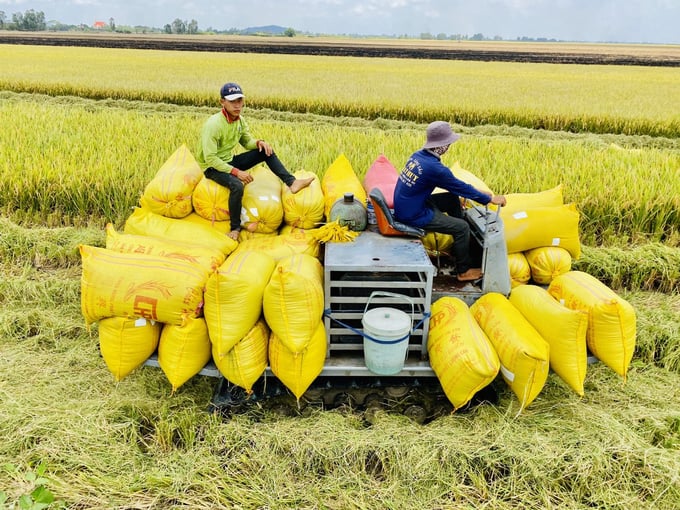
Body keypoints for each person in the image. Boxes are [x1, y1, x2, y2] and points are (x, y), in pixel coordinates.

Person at [196, 82, 314, 241]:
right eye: (232, 101)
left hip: (228, 161)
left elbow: (246, 141)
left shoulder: (240, 120)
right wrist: (237, 173)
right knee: (237, 185)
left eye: (239, 101)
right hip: (212, 167)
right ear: (222, 102)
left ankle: (291, 182)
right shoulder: (214, 125)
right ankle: (235, 228)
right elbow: (210, 158)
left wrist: (258, 142)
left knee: (265, 150)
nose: (237, 105)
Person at [393, 121, 507, 282]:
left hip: (410, 204)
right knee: (462, 227)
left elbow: (453, 187)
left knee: (452, 199)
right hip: (413, 213)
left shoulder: (418, 155)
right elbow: (458, 185)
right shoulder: (434, 168)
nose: (449, 146)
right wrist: (489, 198)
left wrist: (477, 193)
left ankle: (461, 249)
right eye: (448, 143)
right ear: (442, 145)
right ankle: (463, 271)